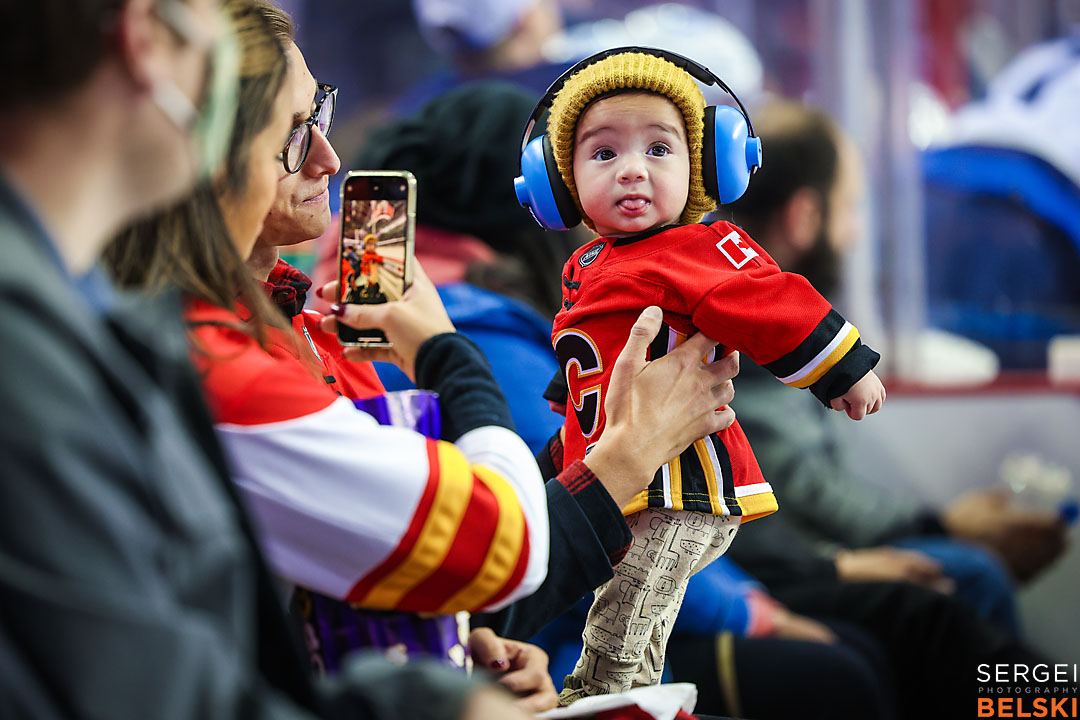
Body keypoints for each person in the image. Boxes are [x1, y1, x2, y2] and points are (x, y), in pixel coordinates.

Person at [1, 0, 524, 717]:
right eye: (292, 132)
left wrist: (438, 669)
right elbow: (503, 543)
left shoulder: (98, 308)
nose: (326, 159)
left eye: (321, 116)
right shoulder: (64, 333)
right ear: (146, 39)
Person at [528, 49, 886, 702]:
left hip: (680, 486)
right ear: (558, 181)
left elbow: (772, 301)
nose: (632, 169)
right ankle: (634, 699)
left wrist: (843, 371)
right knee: (641, 607)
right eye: (603, 154)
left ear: (703, 167)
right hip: (626, 480)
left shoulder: (697, 249)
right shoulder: (586, 266)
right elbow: (587, 358)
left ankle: (596, 700)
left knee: (626, 604)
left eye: (659, 149)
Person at [725, 100, 1068, 630]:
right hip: (774, 569)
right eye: (850, 209)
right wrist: (937, 526)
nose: (856, 232)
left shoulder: (759, 311)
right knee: (970, 574)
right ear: (804, 217)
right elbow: (801, 484)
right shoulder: (744, 322)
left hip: (784, 552)